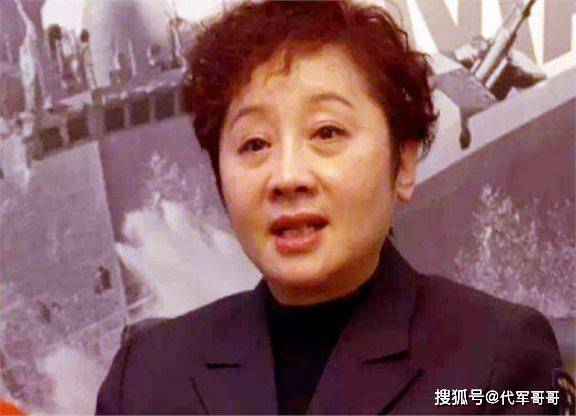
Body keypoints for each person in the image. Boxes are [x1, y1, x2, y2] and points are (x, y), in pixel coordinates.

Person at [96, 1, 562, 414]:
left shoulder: (499, 362)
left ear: (403, 163)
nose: (287, 176)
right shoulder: (144, 377)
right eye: (255, 143)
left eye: (326, 132)